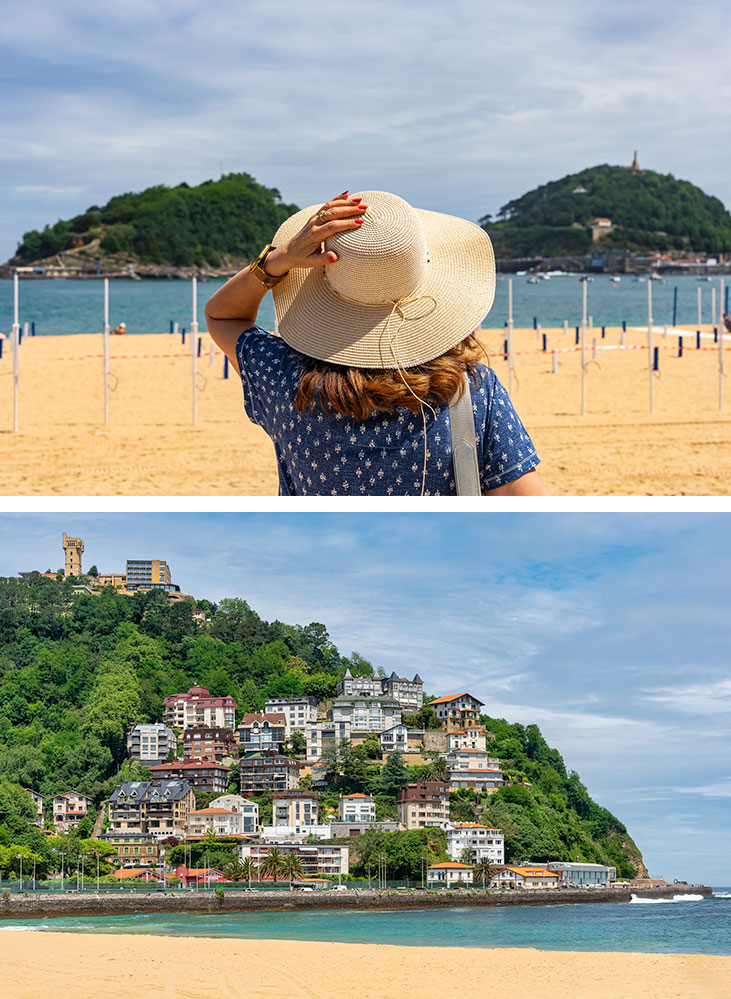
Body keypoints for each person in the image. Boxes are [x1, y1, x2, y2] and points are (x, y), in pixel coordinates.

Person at [205, 190, 549, 496]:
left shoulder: (284, 380)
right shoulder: (470, 392)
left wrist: (279, 259)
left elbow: (222, 316)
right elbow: (532, 511)